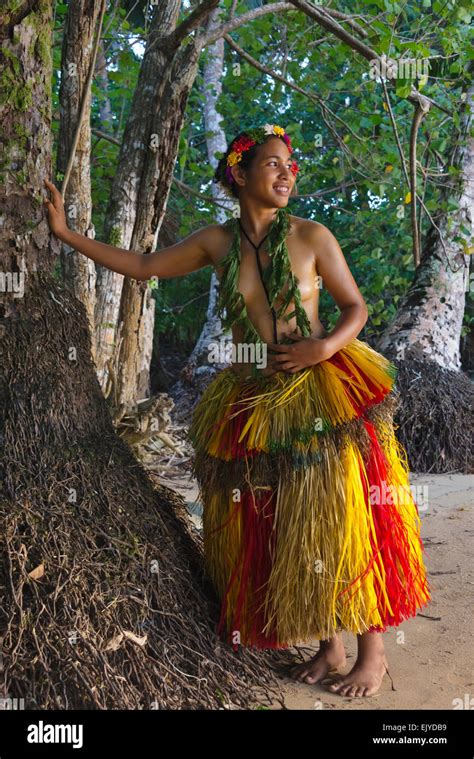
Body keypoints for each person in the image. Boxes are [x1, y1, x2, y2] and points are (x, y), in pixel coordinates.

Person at [43, 122, 431, 699]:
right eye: (272, 164)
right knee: (289, 521)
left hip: (323, 385)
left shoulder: (311, 235)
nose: (286, 172)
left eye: (290, 165)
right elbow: (145, 266)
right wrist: (66, 234)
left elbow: (355, 307)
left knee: (342, 515)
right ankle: (330, 647)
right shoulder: (215, 243)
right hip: (254, 394)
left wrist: (323, 346)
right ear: (240, 173)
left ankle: (372, 653)